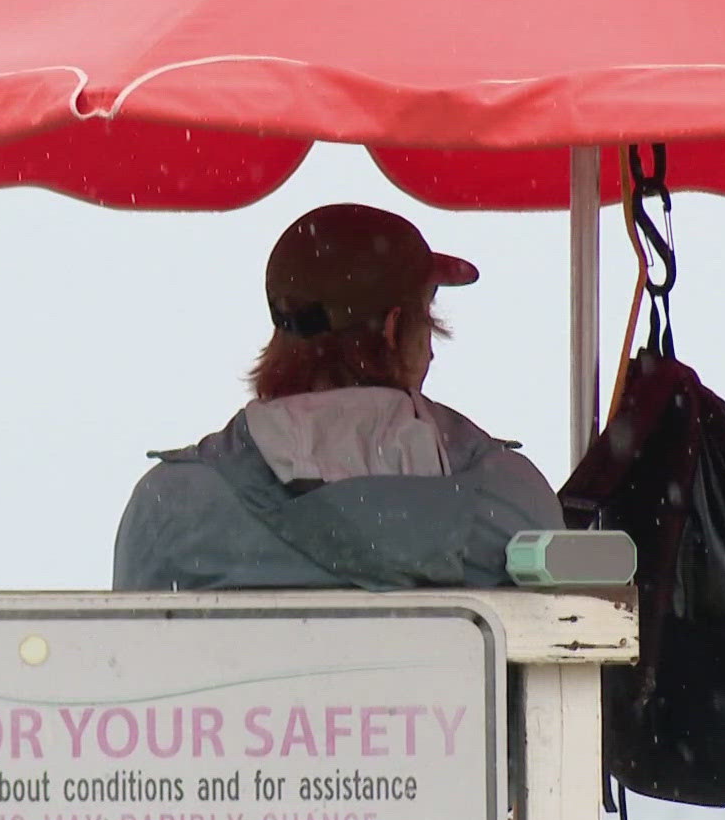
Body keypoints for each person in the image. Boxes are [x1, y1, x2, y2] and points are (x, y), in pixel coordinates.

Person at [112, 203, 564, 591]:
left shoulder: (174, 507)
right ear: (393, 330)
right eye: (425, 317)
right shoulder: (506, 497)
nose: (430, 348)